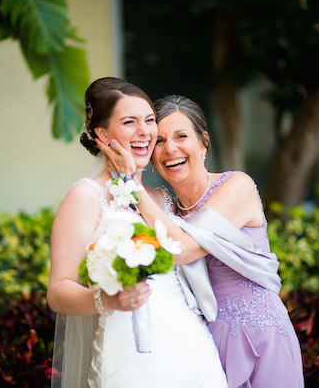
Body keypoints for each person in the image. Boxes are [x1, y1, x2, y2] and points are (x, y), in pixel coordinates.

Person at [98, 94, 304, 387]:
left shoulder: (238, 185)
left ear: (203, 143)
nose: (170, 149)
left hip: (261, 336)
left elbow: (182, 248)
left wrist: (132, 185)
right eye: (159, 141)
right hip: (203, 343)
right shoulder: (164, 207)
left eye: (182, 136)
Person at [46, 78, 227, 388]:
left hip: (192, 346)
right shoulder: (87, 196)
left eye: (149, 120)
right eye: (129, 122)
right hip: (129, 351)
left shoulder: (162, 198)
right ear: (102, 134)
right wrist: (108, 300)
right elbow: (58, 292)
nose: (145, 132)